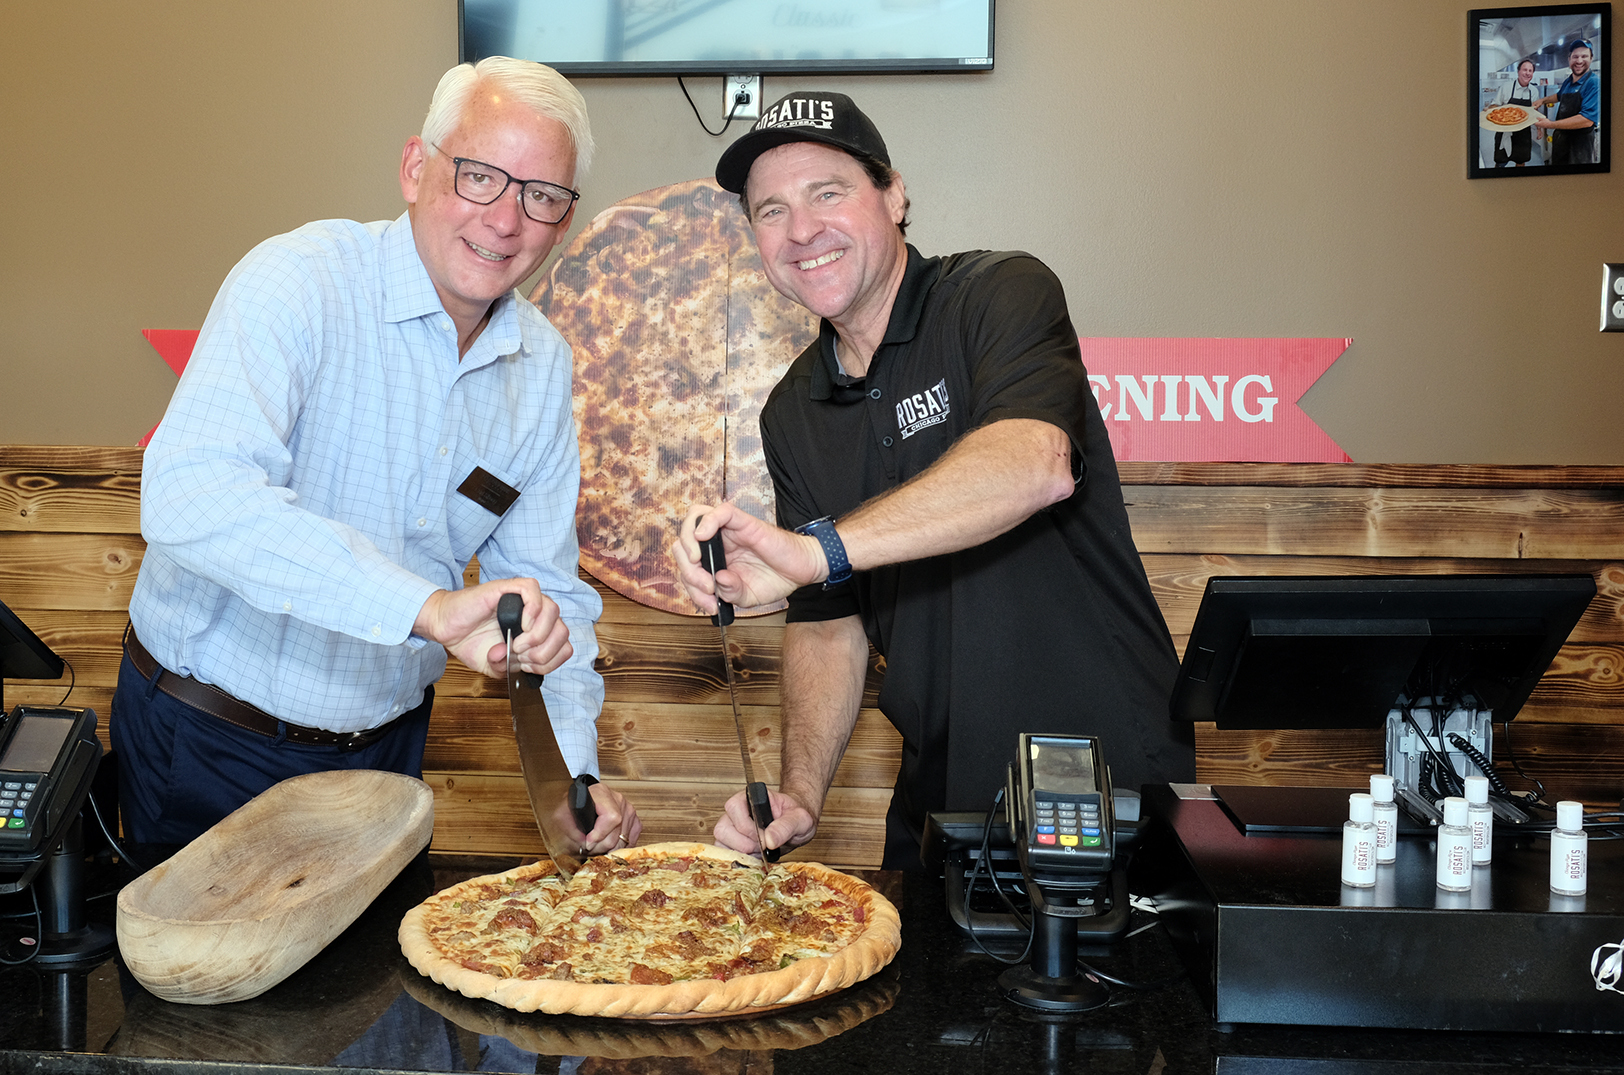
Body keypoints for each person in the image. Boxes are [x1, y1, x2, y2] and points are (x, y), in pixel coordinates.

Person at [116, 57, 641, 851]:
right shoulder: (298, 281)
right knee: (191, 981)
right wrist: (425, 609)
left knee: (372, 983)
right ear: (415, 169)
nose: (506, 221)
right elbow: (190, 496)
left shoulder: (543, 368)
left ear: (563, 220)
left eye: (541, 196)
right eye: (479, 177)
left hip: (387, 761)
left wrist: (574, 781)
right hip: (210, 738)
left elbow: (552, 600)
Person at [672, 91, 1196, 868]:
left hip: (1104, 779)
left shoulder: (999, 294)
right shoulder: (793, 409)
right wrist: (802, 792)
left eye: (828, 192)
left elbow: (1034, 464)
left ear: (894, 194)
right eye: (770, 210)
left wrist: (819, 550)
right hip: (940, 796)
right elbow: (828, 618)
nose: (802, 229)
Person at [1533, 40, 1601, 165]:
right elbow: (1559, 96)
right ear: (1569, 59)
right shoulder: (1568, 81)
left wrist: (1550, 124)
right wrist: (1542, 101)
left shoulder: (1594, 82)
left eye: (1584, 56)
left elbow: (1586, 120)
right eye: (1575, 56)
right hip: (1561, 143)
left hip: (1579, 148)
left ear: (1591, 58)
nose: (1579, 61)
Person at [1490, 59, 1540, 167]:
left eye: (1530, 71)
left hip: (1523, 134)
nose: (1527, 73)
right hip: (1504, 131)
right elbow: (1494, 105)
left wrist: (1539, 129)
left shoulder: (1534, 91)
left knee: (1521, 162)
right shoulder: (1506, 87)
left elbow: (1534, 112)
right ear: (1518, 71)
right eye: (1525, 70)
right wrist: (1491, 109)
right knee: (1500, 162)